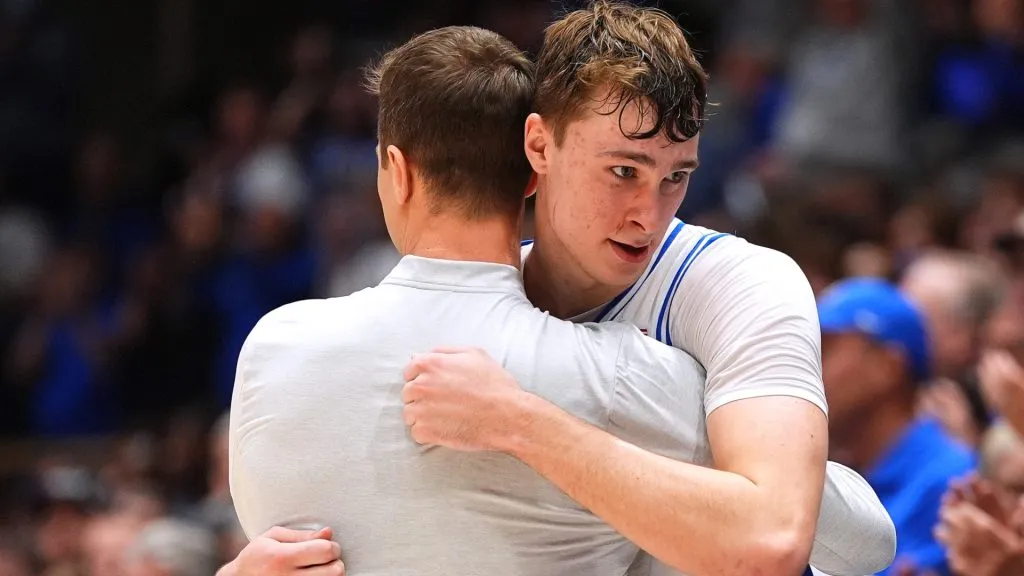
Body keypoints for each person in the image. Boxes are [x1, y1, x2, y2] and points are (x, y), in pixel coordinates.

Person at [222, 2, 896, 575]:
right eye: (624, 171)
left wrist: (526, 422)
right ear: (538, 148)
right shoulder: (491, 301)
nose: (650, 214)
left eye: (676, 176)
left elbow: (803, 540)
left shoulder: (738, 284)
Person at [228, 25, 716, 576]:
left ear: (398, 170)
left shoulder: (275, 348)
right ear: (533, 173)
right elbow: (783, 525)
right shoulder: (628, 374)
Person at [817, 277, 977, 574]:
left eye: (825, 349)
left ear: (887, 367)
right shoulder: (842, 471)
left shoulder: (950, 482)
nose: (809, 366)